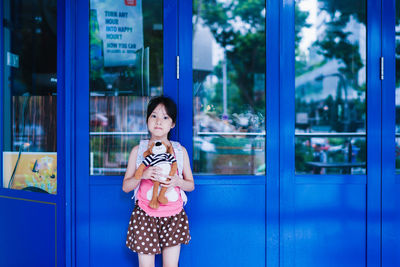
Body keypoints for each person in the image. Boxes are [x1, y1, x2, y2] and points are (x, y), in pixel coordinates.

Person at [122, 96, 195, 267]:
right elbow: (126, 187)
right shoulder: (138, 150)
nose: (158, 122)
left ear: (173, 124)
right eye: (154, 116)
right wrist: (143, 175)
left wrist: (178, 181)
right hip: (145, 215)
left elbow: (190, 185)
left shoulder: (179, 150)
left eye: (165, 117)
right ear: (147, 120)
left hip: (174, 215)